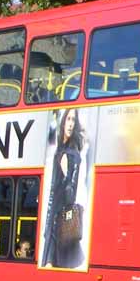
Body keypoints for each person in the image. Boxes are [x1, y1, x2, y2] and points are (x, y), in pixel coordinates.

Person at [41, 108, 85, 268]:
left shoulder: (72, 154)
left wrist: (67, 176)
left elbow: (70, 193)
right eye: (68, 119)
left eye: (73, 120)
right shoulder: (58, 147)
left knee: (51, 262)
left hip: (58, 215)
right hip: (52, 210)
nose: (71, 124)